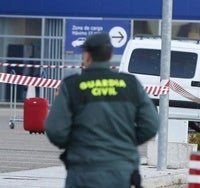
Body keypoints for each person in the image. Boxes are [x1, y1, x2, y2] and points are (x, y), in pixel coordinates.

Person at [45, 33, 159, 188]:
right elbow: (151, 125)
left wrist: (77, 145)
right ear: (111, 55)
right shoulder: (130, 84)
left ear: (86, 55)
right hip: (121, 172)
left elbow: (55, 130)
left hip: (83, 173)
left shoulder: (72, 86)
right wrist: (125, 142)